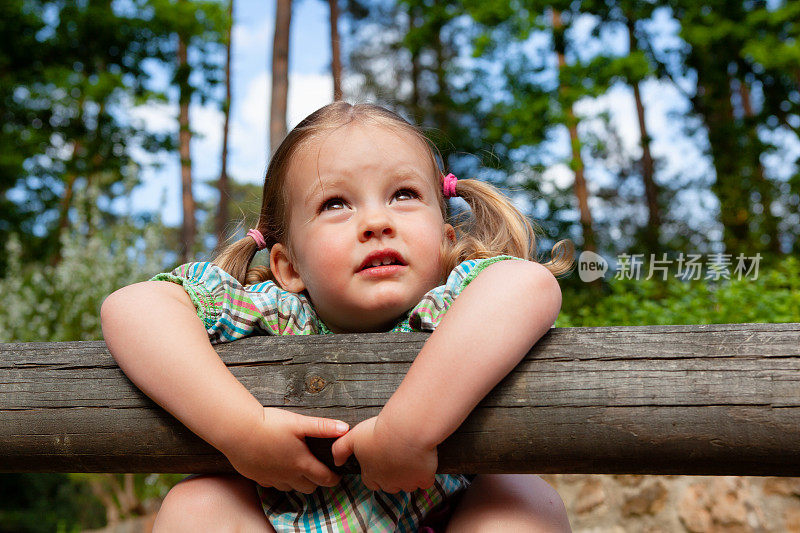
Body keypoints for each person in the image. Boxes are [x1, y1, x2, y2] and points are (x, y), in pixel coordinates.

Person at [101, 101, 575, 532]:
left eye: (404, 194)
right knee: (198, 504)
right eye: (336, 204)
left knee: (521, 500)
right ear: (288, 267)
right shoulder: (278, 315)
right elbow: (133, 307)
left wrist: (406, 432)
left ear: (447, 239)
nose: (376, 222)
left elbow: (528, 284)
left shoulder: (456, 303)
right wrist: (243, 430)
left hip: (443, 519)